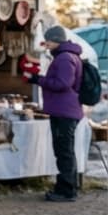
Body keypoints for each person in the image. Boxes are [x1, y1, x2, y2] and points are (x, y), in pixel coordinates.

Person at [26, 25, 84, 202]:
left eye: (49, 41)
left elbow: (63, 83)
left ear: (58, 40)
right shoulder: (68, 56)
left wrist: (39, 80)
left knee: (64, 151)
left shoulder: (65, 58)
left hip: (64, 111)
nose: (47, 44)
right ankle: (66, 187)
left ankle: (66, 191)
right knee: (65, 151)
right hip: (66, 109)